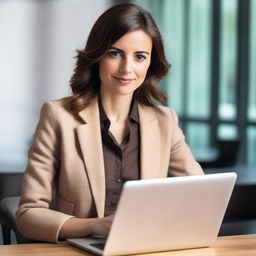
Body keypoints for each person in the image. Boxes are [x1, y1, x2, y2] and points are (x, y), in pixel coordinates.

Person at [16, 3, 203, 243]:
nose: (127, 68)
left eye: (139, 56)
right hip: (79, 250)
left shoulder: (164, 121)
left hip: (145, 246)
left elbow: (200, 195)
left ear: (150, 63)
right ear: (97, 55)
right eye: (115, 53)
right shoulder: (57, 116)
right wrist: (96, 225)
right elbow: (28, 215)